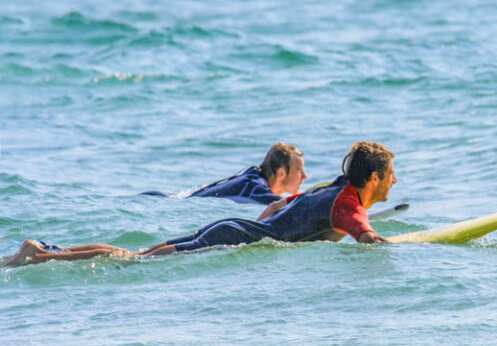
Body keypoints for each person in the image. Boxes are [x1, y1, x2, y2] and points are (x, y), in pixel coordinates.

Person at [4, 142, 397, 266]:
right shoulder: (348, 204)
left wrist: (265, 233)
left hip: (235, 227)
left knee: (138, 256)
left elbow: (276, 209)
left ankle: (44, 252)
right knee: (135, 260)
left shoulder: (333, 189)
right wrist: (422, 247)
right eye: (391, 173)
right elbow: (368, 239)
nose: (395, 180)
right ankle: (41, 256)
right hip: (235, 237)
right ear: (374, 178)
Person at [142, 142, 307, 204]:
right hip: (165, 201)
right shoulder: (255, 186)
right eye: (299, 170)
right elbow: (277, 203)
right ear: (281, 173)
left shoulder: (253, 178)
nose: (304, 176)